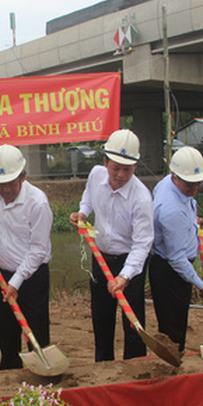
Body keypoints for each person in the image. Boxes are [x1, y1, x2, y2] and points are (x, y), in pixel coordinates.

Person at [69, 130, 154, 361]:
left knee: (132, 318)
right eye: (115, 167)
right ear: (105, 162)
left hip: (130, 264)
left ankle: (136, 364)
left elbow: (142, 245)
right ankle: (103, 363)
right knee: (101, 316)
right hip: (101, 257)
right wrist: (83, 213)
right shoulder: (96, 175)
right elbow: (88, 195)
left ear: (135, 166)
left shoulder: (142, 198)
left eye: (127, 169)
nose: (120, 174)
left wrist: (124, 277)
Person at [0, 144, 53, 370]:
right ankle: (9, 372)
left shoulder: (38, 203)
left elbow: (38, 250)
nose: (5, 190)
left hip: (32, 277)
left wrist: (16, 282)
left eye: (10, 184)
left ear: (23, 176)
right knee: (6, 331)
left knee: (36, 329)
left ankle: (40, 376)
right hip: (2, 274)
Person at [150, 146, 203, 351]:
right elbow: (176, 258)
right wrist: (202, 287)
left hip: (173, 262)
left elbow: (186, 206)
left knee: (178, 319)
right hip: (170, 271)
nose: (195, 189)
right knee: (173, 325)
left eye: (198, 184)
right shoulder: (171, 210)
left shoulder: (166, 184)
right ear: (175, 176)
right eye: (190, 185)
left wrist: (191, 222)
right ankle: (173, 361)